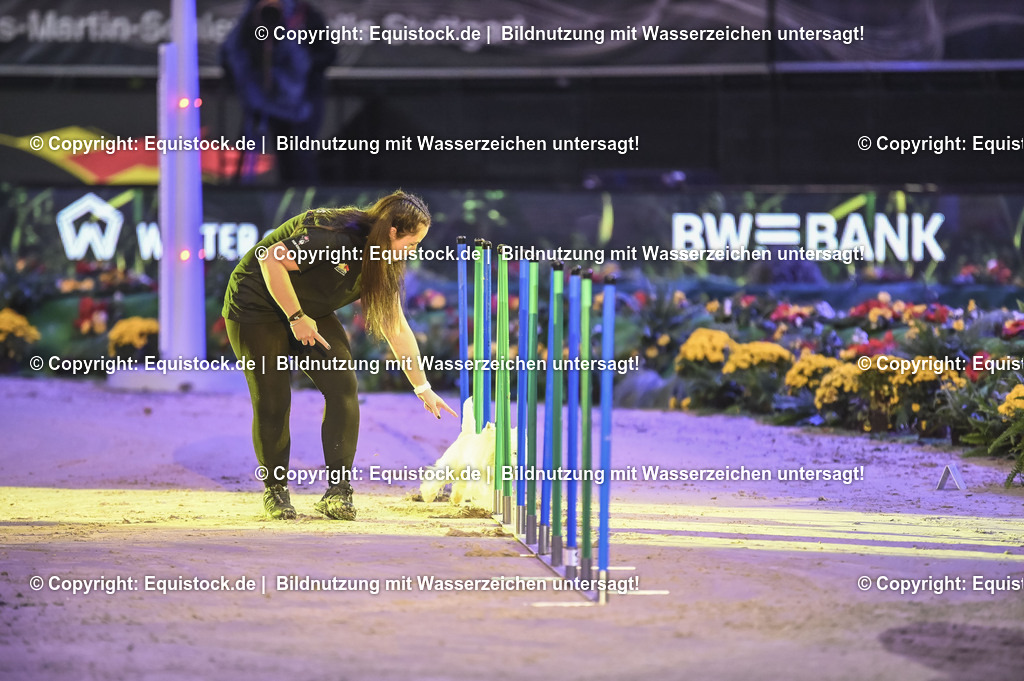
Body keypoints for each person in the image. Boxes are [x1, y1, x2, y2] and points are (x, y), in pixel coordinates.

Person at [222, 191, 458, 520]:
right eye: (413, 242)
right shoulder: (334, 234)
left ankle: (338, 492)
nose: (414, 250)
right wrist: (295, 318)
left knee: (343, 387)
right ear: (393, 232)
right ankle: (276, 493)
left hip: (309, 311)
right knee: (273, 398)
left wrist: (423, 387)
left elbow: (396, 327)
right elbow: (270, 258)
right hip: (255, 307)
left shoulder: (384, 263)